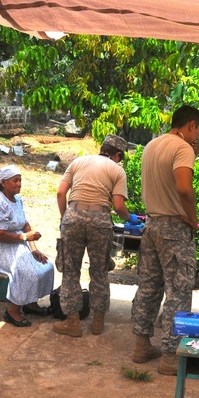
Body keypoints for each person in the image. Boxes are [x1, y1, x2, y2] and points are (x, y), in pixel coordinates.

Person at [130, 105, 199, 376]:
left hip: (151, 225)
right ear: (192, 125)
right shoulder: (181, 148)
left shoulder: (151, 145)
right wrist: (192, 218)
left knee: (149, 286)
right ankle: (170, 357)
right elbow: (184, 188)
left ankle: (141, 345)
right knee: (178, 291)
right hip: (174, 228)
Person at [53, 134, 133, 337]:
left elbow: (61, 193)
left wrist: (65, 218)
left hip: (73, 217)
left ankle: (73, 323)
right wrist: (130, 218)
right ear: (117, 154)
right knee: (99, 272)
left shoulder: (78, 161)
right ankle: (98, 323)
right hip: (100, 221)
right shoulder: (117, 170)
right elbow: (118, 205)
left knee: (71, 271)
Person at [0, 165, 55, 326]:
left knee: (46, 266)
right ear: (4, 182)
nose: (19, 184)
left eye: (20, 180)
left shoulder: (17, 199)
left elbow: (25, 224)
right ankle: (13, 311)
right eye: (15, 181)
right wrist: (23, 237)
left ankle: (30, 302)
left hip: (16, 244)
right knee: (27, 271)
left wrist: (34, 249)